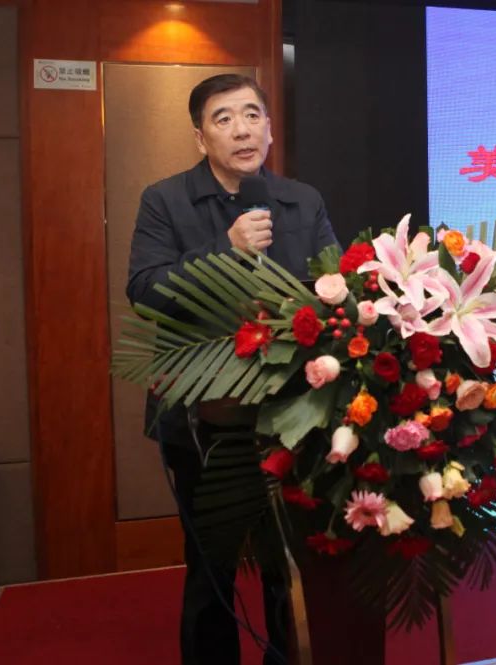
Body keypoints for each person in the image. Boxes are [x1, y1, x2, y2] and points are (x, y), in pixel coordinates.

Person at [126, 73, 338, 665]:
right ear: (201, 137)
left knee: (287, 563)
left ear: (269, 128)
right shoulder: (165, 200)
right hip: (204, 419)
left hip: (291, 412)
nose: (241, 129)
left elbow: (335, 289)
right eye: (223, 119)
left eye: (251, 115)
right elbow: (145, 291)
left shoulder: (302, 200)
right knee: (211, 567)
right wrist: (227, 249)